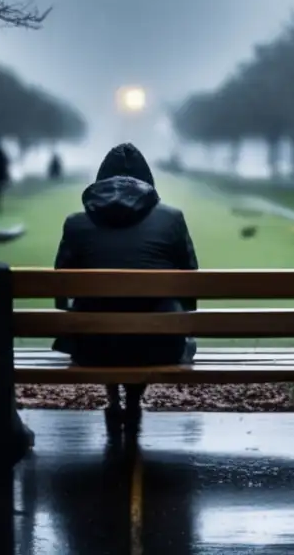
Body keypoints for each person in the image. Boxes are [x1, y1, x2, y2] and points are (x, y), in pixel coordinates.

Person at [51, 142, 198, 431]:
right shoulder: (172, 219)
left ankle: (114, 400)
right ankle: (133, 400)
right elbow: (190, 284)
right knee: (156, 319)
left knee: (100, 318)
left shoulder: (77, 224)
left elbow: (60, 291)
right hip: (159, 347)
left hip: (92, 348)